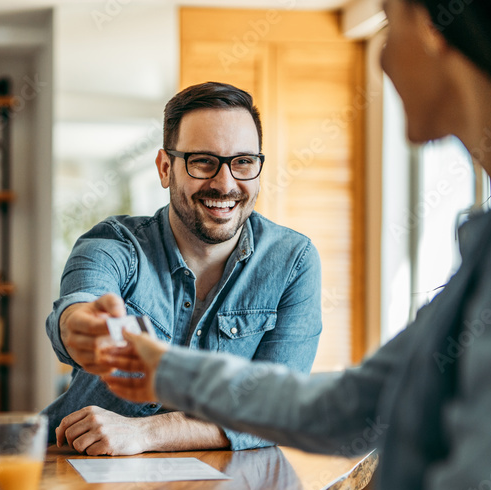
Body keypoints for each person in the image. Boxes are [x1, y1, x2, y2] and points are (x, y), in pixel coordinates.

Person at [23, 0, 491, 490]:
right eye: (203, 162)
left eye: (387, 22)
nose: (381, 56)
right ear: (166, 167)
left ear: (438, 30)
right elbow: (348, 407)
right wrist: (159, 367)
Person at [44, 82, 322, 456]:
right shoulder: (117, 243)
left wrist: (144, 433)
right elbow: (80, 303)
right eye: (203, 161)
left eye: (243, 162)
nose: (225, 184)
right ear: (165, 168)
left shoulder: (293, 261)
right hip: (76, 469)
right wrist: (78, 327)